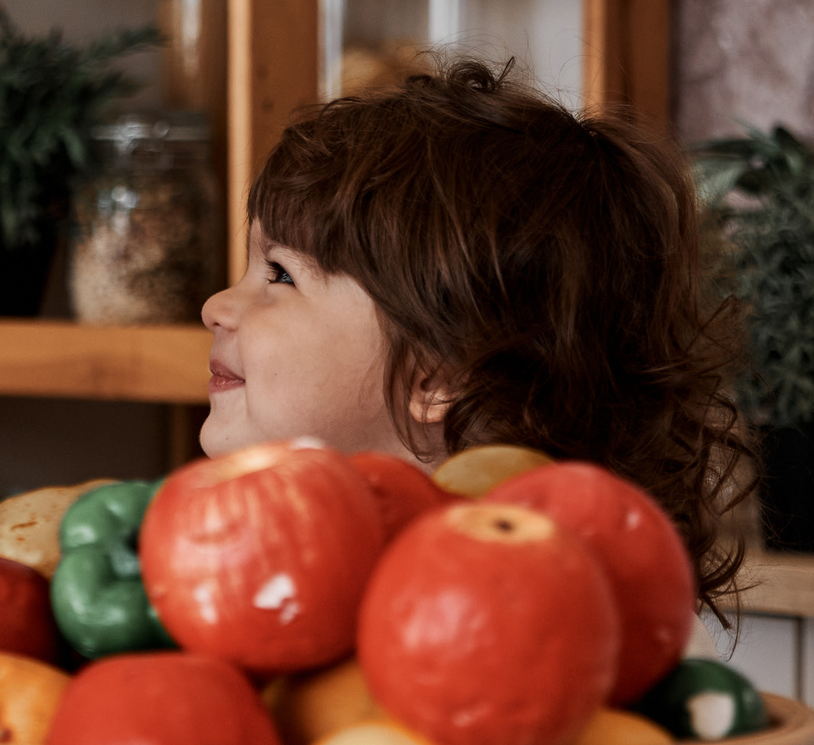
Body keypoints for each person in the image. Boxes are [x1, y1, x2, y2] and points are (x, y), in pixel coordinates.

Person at [200, 60, 755, 603]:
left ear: (435, 377)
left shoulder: (550, 606)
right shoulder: (262, 560)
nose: (215, 306)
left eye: (281, 274)